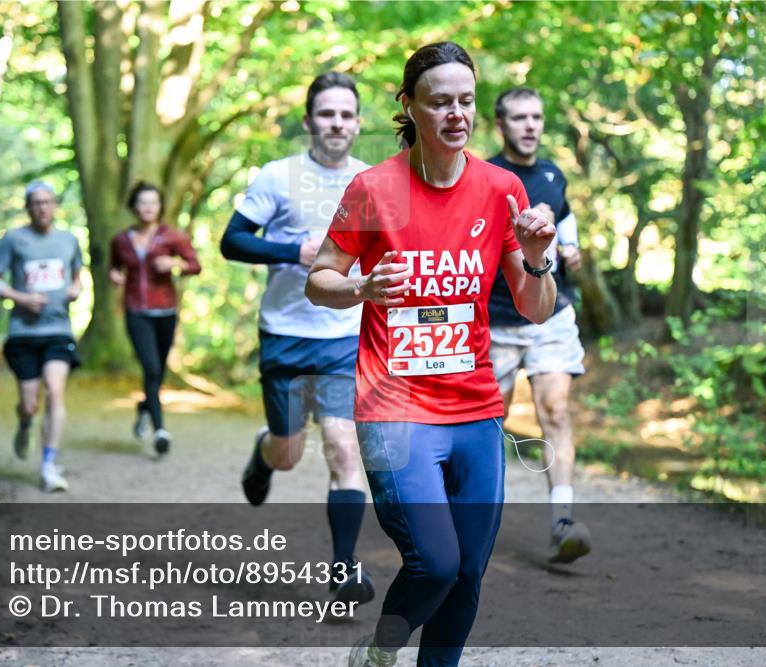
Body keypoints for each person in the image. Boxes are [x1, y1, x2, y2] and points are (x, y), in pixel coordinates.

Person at [305, 43, 557, 667]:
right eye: (439, 101)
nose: (456, 114)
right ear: (410, 106)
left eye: (466, 101)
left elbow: (536, 307)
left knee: (467, 575)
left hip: (474, 409)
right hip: (394, 407)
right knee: (436, 563)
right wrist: (362, 287)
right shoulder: (373, 189)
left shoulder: (503, 189)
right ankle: (382, 648)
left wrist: (533, 257)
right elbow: (320, 278)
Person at [219, 72, 375, 606]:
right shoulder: (277, 177)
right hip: (285, 333)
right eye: (327, 114)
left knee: (341, 446)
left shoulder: (371, 181)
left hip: (343, 334)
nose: (337, 123)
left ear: (358, 124)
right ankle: (264, 456)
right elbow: (232, 241)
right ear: (309, 121)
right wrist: (291, 250)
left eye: (346, 114)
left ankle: (343, 571)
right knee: (288, 453)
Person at [488, 87, 591, 564]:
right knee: (490, 423)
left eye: (537, 117)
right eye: (519, 118)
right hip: (498, 319)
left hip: (550, 312)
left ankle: (562, 522)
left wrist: (569, 248)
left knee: (555, 411)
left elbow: (565, 224)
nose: (530, 126)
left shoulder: (552, 175)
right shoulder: (486, 176)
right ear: (500, 125)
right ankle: (474, 524)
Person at [0, 181, 83, 492]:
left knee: (56, 391)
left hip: (58, 330)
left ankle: (48, 464)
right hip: (23, 333)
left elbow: (77, 276)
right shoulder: (13, 240)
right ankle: (26, 422)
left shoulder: (69, 240)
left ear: (56, 206)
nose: (43, 207)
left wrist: (75, 289)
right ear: (28, 207)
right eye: (36, 203)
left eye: (48, 202)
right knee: (29, 404)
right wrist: (20, 297)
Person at [109, 181, 201, 454]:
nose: (148, 207)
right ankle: (160, 430)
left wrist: (176, 264)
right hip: (136, 311)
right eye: (142, 202)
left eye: (153, 202)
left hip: (166, 311)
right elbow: (114, 266)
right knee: (150, 367)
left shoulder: (172, 237)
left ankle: (144, 407)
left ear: (160, 206)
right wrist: (114, 275)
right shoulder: (121, 240)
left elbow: (195, 265)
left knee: (157, 370)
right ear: (133, 207)